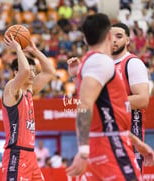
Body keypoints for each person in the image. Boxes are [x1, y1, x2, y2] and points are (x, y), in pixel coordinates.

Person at [65, 13, 141, 180]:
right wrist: (83, 151)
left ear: (85, 39)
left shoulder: (90, 62)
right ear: (108, 35)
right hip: (110, 146)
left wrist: (140, 146)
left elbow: (105, 113)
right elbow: (84, 105)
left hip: (108, 142)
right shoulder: (101, 62)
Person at [1, 33, 56, 181]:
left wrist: (34, 50)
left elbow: (50, 72)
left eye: (34, 71)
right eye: (30, 70)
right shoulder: (12, 89)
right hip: (16, 154)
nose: (32, 73)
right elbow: (24, 70)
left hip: (30, 155)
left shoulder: (29, 90)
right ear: (15, 73)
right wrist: (18, 48)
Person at [111, 22, 150, 171]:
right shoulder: (104, 65)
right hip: (107, 132)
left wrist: (108, 103)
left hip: (130, 131)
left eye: (119, 36)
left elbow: (143, 99)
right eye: (111, 37)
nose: (114, 40)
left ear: (127, 40)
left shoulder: (132, 63)